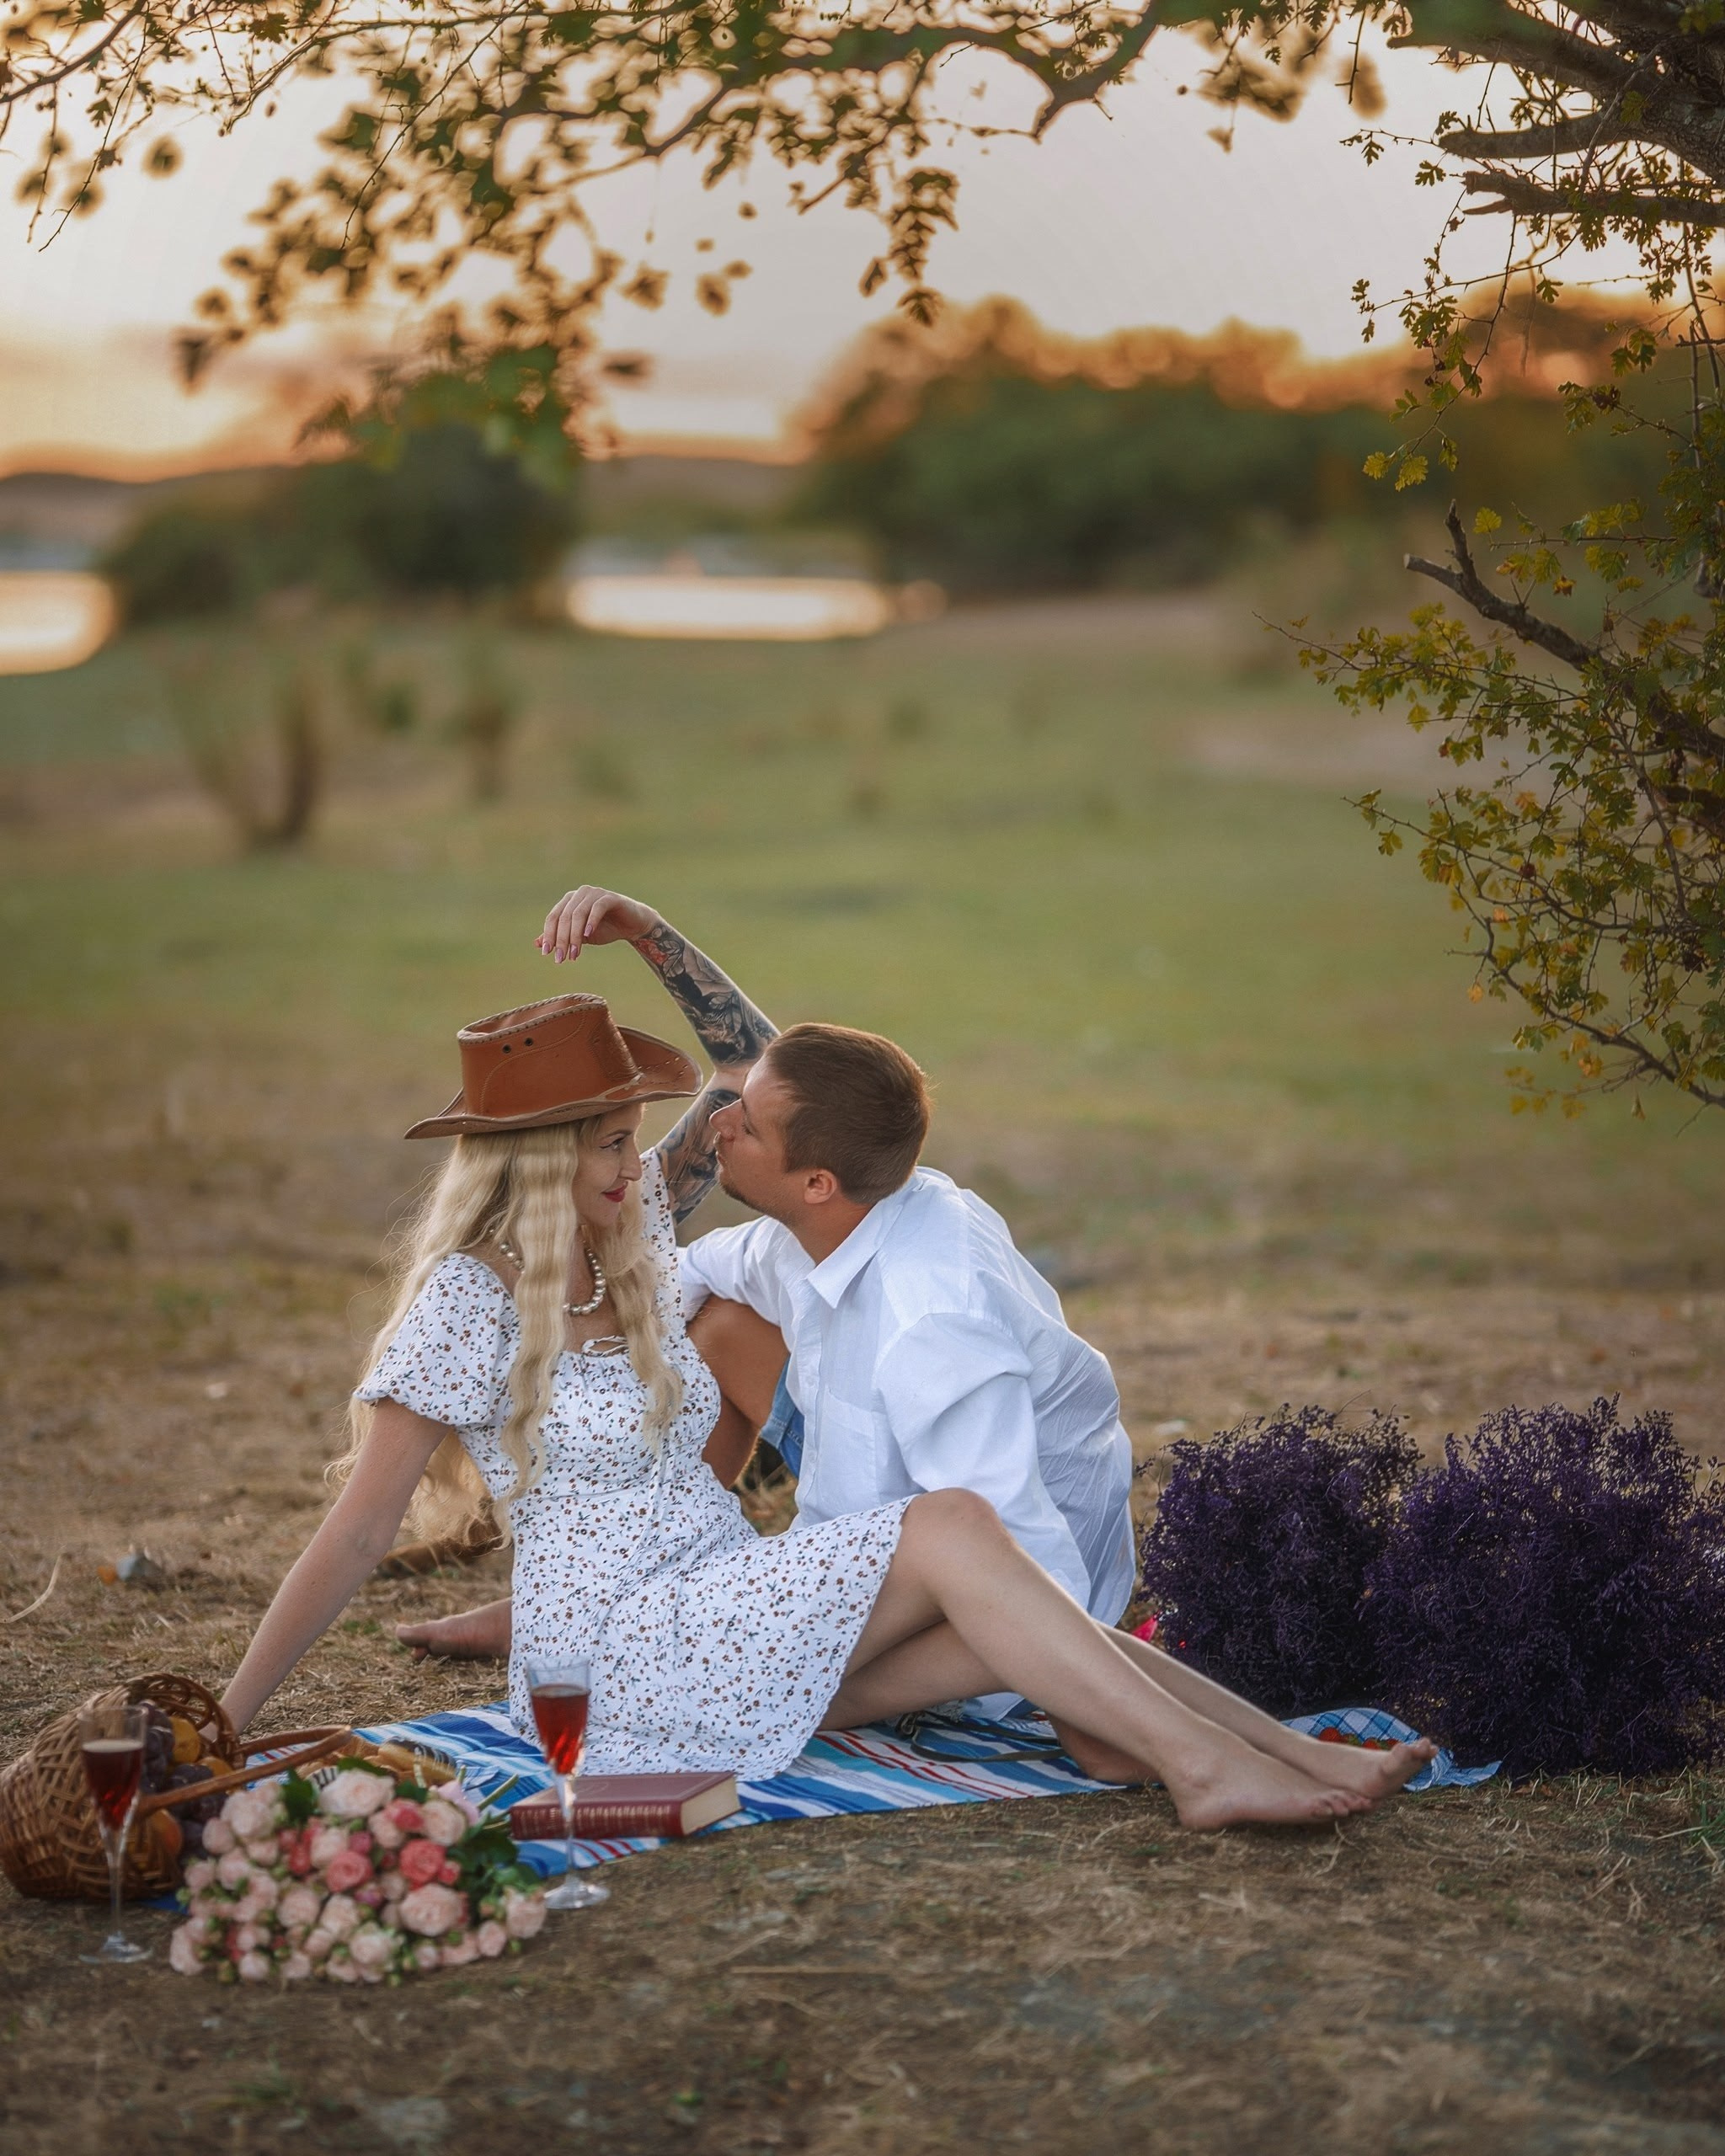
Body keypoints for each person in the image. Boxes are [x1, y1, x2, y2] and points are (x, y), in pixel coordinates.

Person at [221, 893, 1434, 1828]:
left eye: (633, 1135)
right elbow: (358, 1536)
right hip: (613, 1669)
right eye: (606, 1143)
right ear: (537, 1161)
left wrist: (646, 929)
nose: (642, 1160)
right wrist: (228, 1722)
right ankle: (1201, 1769)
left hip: (722, 1612)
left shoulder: (628, 1223)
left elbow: (757, 1070)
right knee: (956, 1528)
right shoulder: (468, 1304)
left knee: (1016, 1619)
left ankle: (1284, 1750)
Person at [399, 889, 1136, 1704]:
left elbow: (1023, 1551)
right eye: (613, 1138)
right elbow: (738, 1124)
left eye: (738, 1122)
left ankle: (716, 1633)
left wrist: (647, 931)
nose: (699, 1133)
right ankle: (612, 1591)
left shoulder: (925, 1314)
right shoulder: (484, 1291)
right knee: (709, 1327)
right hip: (844, 1512)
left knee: (716, 1343)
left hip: (980, 1570)